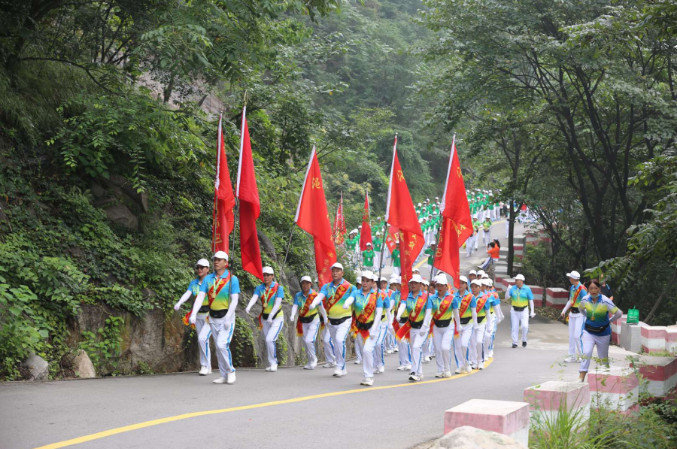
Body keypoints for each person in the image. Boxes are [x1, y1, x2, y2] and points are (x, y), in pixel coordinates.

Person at [188, 251, 240, 385]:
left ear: (226, 263)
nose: (216, 261)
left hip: (226, 318)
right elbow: (200, 296)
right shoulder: (208, 279)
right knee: (218, 347)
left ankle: (231, 371)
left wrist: (228, 317)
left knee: (222, 345)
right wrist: (193, 313)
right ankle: (223, 375)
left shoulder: (232, 279)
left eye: (219, 259)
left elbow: (234, 300)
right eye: (215, 259)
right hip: (212, 317)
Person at [310, 262, 356, 377]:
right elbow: (321, 296)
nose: (335, 273)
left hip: (345, 319)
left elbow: (353, 297)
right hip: (332, 320)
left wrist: (347, 302)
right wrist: (314, 303)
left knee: (340, 341)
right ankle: (342, 367)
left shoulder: (350, 287)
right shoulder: (327, 287)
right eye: (333, 271)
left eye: (337, 271)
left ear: (342, 273)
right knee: (335, 343)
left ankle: (340, 366)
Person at [578, 279, 623, 382]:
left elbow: (619, 313)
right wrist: (586, 316)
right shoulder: (585, 299)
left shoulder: (605, 301)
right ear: (588, 289)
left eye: (595, 288)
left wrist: (609, 321)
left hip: (603, 333)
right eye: (591, 288)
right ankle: (581, 377)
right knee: (586, 353)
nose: (593, 291)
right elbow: (580, 309)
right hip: (589, 331)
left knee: (603, 358)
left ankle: (606, 380)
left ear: (599, 289)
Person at [174, 258, 212, 375]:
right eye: (198, 267)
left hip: (210, 315)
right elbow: (188, 293)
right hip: (198, 315)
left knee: (203, 339)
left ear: (207, 269)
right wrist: (179, 302)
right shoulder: (194, 283)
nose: (199, 269)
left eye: (202, 267)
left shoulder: (212, 282)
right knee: (202, 340)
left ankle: (204, 365)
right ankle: (207, 365)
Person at [245, 266, 285, 372]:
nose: (266, 277)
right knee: (268, 340)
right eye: (264, 275)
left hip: (277, 318)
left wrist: (271, 315)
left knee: (270, 339)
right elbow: (254, 297)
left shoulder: (278, 288)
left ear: (272, 276)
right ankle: (271, 363)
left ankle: (274, 363)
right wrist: (248, 306)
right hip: (265, 318)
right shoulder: (260, 288)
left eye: (268, 275)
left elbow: (277, 303)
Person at [396, 275, 433, 381]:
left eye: (416, 283)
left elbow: (428, 313)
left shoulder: (426, 297)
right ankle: (419, 372)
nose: (413, 285)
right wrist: (398, 314)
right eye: (412, 283)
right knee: (413, 349)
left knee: (416, 347)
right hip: (412, 327)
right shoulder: (407, 296)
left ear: (421, 285)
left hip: (422, 328)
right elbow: (403, 305)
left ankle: (414, 371)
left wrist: (424, 326)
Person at [351, 271, 384, 386]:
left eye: (367, 281)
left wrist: (374, 328)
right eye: (363, 280)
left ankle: (369, 376)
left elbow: (379, 313)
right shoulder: (356, 293)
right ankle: (367, 375)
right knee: (363, 352)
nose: (364, 283)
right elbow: (350, 299)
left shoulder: (377, 295)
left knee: (367, 350)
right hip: (360, 328)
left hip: (372, 328)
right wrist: (347, 303)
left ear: (372, 282)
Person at [290, 276, 324, 370]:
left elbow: (321, 307)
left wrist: (325, 318)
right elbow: (295, 306)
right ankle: (310, 361)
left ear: (310, 284)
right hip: (303, 321)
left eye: (307, 283)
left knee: (309, 340)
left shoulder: (315, 295)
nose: (305, 285)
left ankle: (314, 359)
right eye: (303, 283)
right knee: (305, 342)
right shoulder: (298, 295)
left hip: (313, 320)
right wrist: (292, 315)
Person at [560, 270, 587, 363]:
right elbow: (570, 301)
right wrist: (564, 311)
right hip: (572, 314)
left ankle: (583, 356)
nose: (569, 279)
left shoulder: (582, 290)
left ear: (574, 279)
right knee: (571, 336)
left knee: (577, 336)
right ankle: (572, 356)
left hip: (580, 315)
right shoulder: (572, 287)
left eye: (570, 278)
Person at [431, 273, 455, 378]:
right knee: (437, 349)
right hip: (436, 326)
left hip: (448, 326)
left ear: (446, 286)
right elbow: (429, 313)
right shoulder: (432, 298)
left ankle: (447, 369)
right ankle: (440, 369)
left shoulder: (452, 298)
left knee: (445, 348)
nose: (439, 288)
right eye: (438, 286)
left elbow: (456, 313)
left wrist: (459, 326)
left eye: (442, 285)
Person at [454, 279, 478, 373]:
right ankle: (460, 365)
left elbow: (473, 311)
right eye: (459, 283)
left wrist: (475, 324)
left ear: (466, 285)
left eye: (462, 283)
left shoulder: (471, 297)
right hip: (457, 324)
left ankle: (467, 363)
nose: (460, 285)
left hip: (468, 324)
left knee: (464, 344)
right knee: (457, 347)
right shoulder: (453, 296)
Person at [506, 274, 535, 348]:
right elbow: (506, 297)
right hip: (514, 310)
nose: (515, 281)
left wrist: (532, 311)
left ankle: (524, 339)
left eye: (517, 280)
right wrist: (508, 290)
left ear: (521, 281)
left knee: (525, 326)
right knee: (514, 327)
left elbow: (531, 300)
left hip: (524, 310)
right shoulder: (513, 288)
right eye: (515, 280)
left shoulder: (527, 289)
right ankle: (514, 342)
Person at [484, 278, 503, 359]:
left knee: (490, 335)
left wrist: (499, 317)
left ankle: (490, 349)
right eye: (484, 286)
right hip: (482, 318)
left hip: (491, 317)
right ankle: (483, 351)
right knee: (483, 336)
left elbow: (496, 307)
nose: (486, 288)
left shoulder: (492, 295)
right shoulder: (477, 296)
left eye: (487, 287)